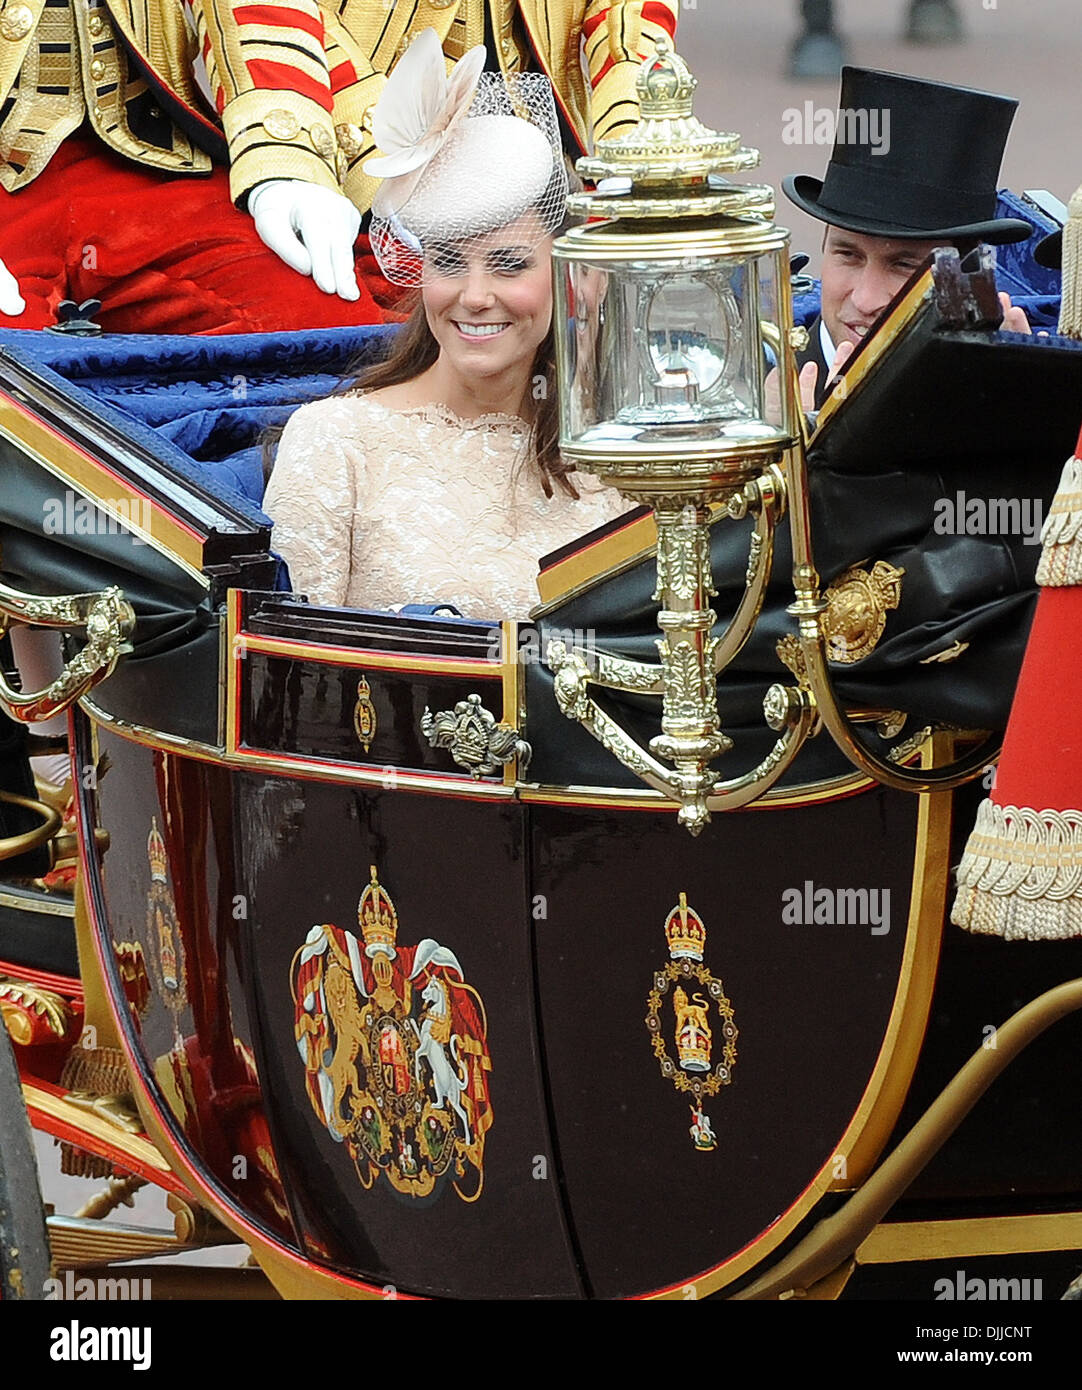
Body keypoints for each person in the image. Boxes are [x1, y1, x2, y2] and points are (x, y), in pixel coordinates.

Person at [0, 1, 676, 334]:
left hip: (163, 162)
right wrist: (372, 166)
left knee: (338, 342)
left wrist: (631, 166)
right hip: (357, 136)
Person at [262, 31, 629, 618]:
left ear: (575, 278)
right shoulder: (336, 442)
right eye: (450, 262)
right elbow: (291, 671)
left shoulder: (616, 452)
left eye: (510, 265)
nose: (475, 296)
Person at [781, 67, 1036, 412]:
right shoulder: (756, 396)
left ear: (964, 279)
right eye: (848, 255)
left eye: (903, 265)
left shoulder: (1016, 395)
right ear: (824, 242)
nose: (866, 299)